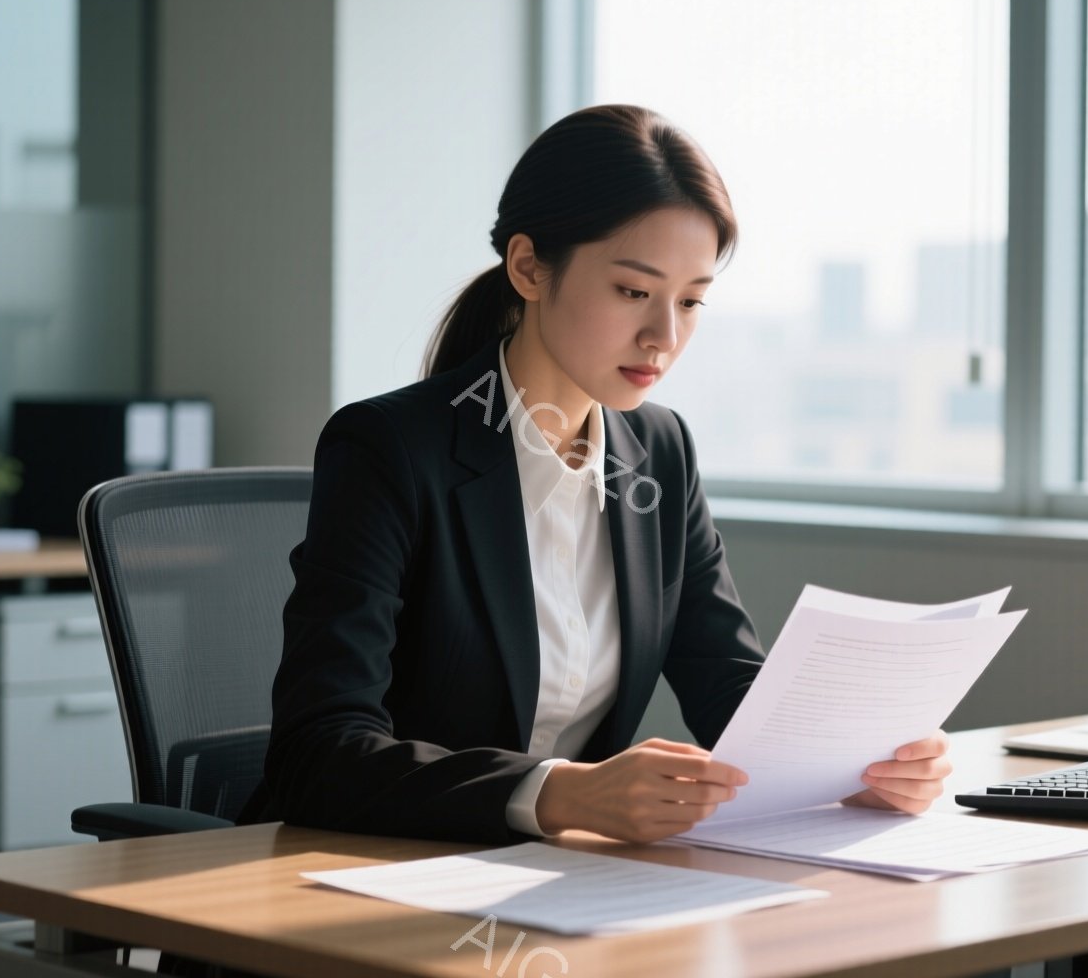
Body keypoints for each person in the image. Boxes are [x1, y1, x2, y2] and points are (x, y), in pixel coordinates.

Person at [237, 104, 951, 844]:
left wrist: (856, 767)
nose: (664, 336)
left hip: (566, 880)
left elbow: (727, 684)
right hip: (368, 875)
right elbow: (318, 754)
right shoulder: (390, 448)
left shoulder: (659, 452)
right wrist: (559, 797)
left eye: (692, 300)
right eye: (633, 292)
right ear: (528, 267)